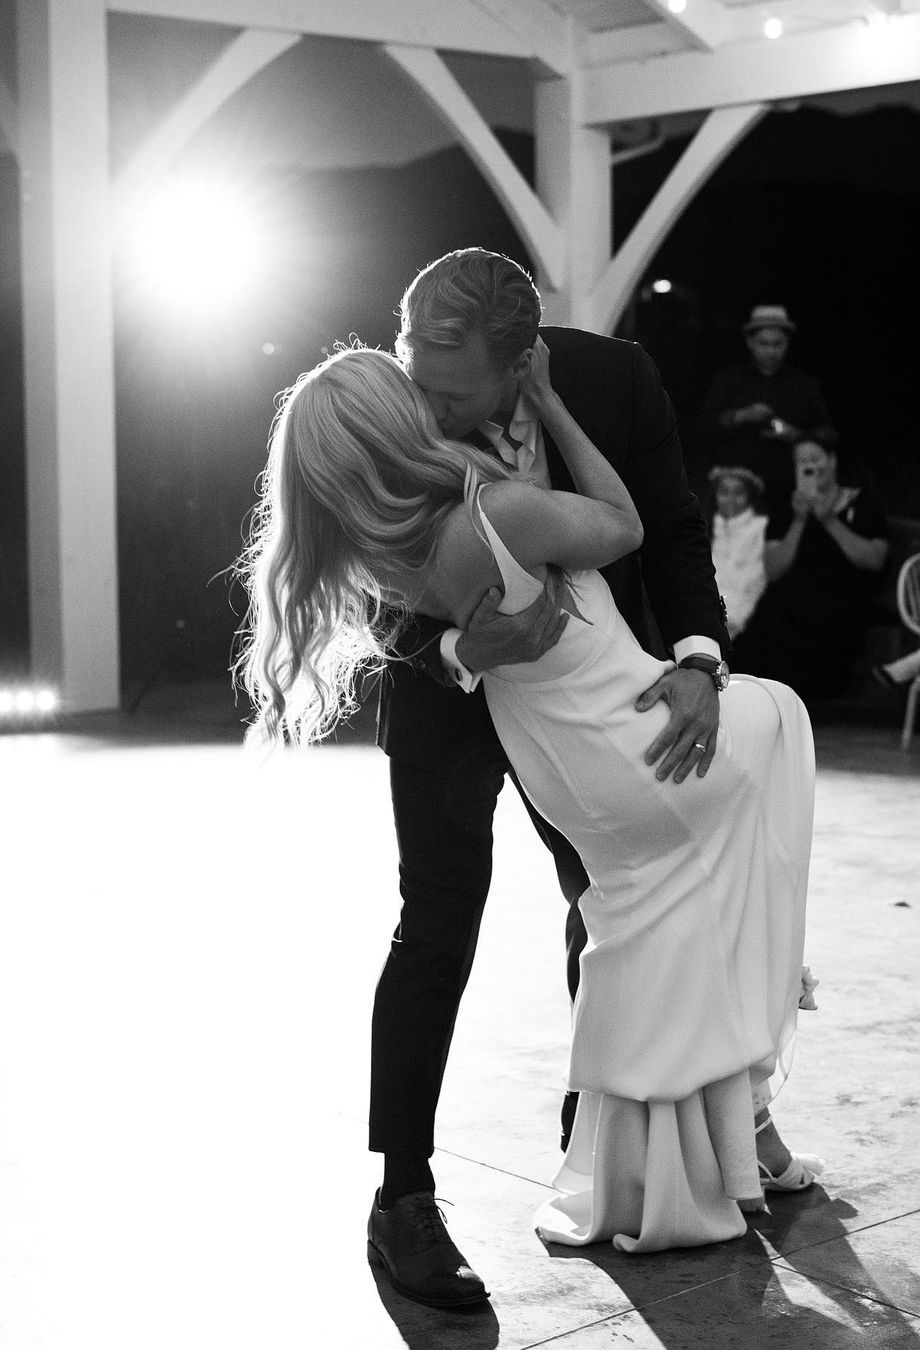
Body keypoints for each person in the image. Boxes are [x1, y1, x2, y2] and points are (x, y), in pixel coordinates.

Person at [238, 338, 820, 1282]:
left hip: (589, 709)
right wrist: (462, 651)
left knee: (613, 905)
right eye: (415, 376)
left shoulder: (612, 379)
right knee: (434, 931)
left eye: (445, 382)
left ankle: (616, 1144)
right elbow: (375, 556)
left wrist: (700, 661)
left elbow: (671, 529)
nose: (430, 400)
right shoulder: (415, 388)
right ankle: (404, 1199)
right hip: (449, 708)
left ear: (518, 356)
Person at [731, 438, 890, 702]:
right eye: (802, 462)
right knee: (757, 641)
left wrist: (829, 519)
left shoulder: (863, 503)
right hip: (790, 599)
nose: (810, 467)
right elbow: (774, 569)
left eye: (815, 459)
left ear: (833, 460)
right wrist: (799, 520)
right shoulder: (787, 508)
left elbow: (874, 560)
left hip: (843, 601)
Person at [698, 305, 837, 515]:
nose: (771, 351)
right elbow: (703, 428)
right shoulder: (729, 380)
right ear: (750, 342)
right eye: (764, 343)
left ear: (787, 343)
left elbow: (829, 434)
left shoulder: (804, 384)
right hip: (737, 490)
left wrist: (796, 435)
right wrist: (741, 416)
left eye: (777, 344)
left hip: (788, 488)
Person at [708, 465, 768, 637]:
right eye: (724, 492)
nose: (730, 499)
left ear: (750, 496)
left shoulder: (762, 528)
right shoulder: (708, 529)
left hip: (747, 628)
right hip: (708, 625)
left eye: (739, 493)